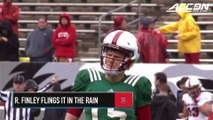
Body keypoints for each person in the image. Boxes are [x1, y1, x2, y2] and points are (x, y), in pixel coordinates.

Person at [65, 30, 152, 120]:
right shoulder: (88, 79)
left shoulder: (137, 85)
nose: (110, 60)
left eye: (117, 57)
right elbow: (71, 117)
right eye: (109, 55)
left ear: (129, 62)